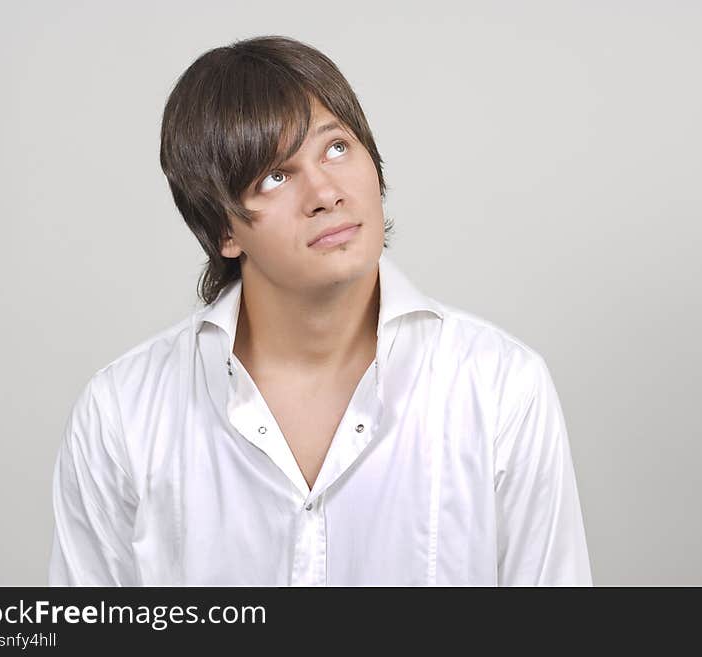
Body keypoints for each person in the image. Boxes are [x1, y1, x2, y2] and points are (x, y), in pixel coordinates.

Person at [48, 35, 593, 586]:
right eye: (274, 177)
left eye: (336, 148)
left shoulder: (499, 386)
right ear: (223, 231)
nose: (325, 193)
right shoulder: (123, 411)